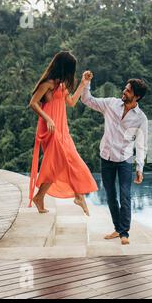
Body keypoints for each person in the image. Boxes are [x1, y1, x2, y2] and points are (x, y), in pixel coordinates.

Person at [80, 71, 148, 245]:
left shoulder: (141, 119)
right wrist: (86, 83)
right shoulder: (111, 104)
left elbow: (141, 145)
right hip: (106, 157)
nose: (124, 92)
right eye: (125, 89)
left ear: (137, 97)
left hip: (125, 159)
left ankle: (124, 232)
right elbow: (88, 100)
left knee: (125, 195)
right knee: (111, 195)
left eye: (128, 91)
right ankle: (118, 229)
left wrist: (140, 168)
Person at [28, 51, 98, 216]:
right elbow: (33, 103)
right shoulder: (48, 83)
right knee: (63, 161)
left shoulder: (62, 85)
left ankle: (41, 197)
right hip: (50, 128)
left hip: (62, 129)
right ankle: (78, 195)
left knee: (60, 163)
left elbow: (72, 102)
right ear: (63, 67)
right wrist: (48, 119)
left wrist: (83, 83)